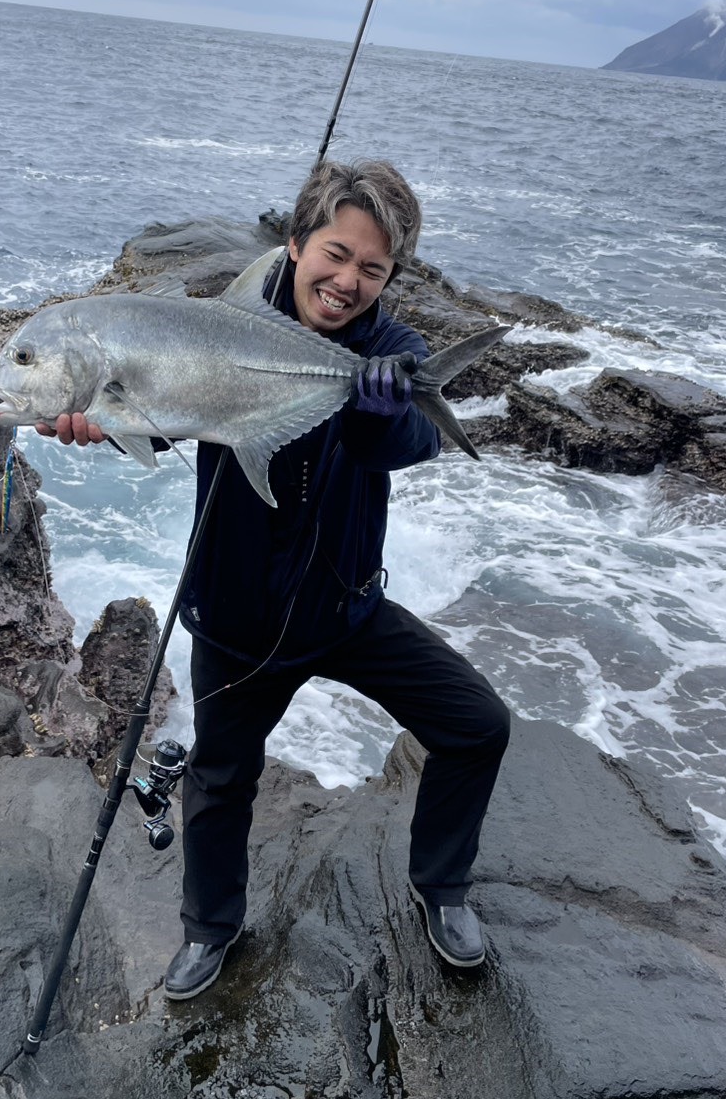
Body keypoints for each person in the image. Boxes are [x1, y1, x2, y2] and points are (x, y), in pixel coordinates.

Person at [40, 159, 510, 1000]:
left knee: (477, 724)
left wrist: (379, 413)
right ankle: (209, 930)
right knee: (220, 778)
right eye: (335, 253)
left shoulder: (393, 353)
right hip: (237, 616)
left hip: (346, 608)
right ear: (293, 246)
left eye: (373, 268)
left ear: (391, 276)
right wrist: (101, 422)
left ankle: (440, 886)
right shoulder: (223, 329)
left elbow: (410, 446)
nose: (347, 280)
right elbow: (161, 412)